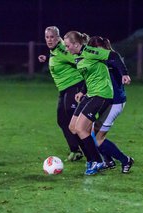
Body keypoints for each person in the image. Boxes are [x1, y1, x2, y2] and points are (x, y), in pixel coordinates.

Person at [64, 31, 133, 175]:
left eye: (68, 45)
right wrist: (82, 91)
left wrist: (125, 73)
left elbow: (114, 59)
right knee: (78, 129)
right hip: (95, 96)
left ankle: (122, 160)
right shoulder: (82, 57)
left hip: (114, 101)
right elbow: (90, 76)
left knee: (96, 137)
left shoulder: (108, 59)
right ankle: (103, 160)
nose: (95, 51)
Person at [86, 36, 134, 173]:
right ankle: (108, 161)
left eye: (98, 50)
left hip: (115, 103)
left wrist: (124, 74)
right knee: (93, 134)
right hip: (104, 101)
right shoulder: (94, 61)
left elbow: (117, 59)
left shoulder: (112, 59)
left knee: (98, 139)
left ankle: (126, 160)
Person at [38, 26, 84, 161]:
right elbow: (60, 60)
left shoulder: (64, 49)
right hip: (64, 89)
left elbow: (78, 60)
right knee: (62, 120)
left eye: (52, 37)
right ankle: (76, 150)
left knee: (74, 121)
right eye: (47, 37)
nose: (49, 40)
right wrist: (47, 58)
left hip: (74, 86)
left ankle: (89, 149)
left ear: (58, 37)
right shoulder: (55, 50)